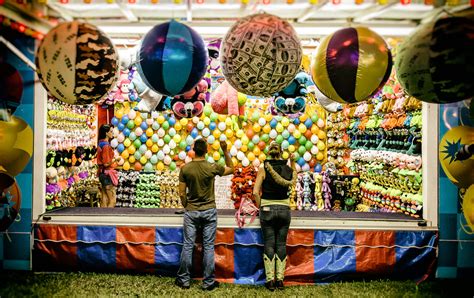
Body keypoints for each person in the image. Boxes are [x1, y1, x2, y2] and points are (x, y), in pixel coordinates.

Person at [175, 138, 234, 291]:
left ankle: (184, 280)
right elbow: (231, 168)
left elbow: (182, 193)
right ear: (206, 151)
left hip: (191, 211)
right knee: (208, 246)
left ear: (194, 150)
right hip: (209, 210)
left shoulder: (185, 169)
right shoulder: (212, 167)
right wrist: (225, 150)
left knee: (188, 245)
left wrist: (187, 205)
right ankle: (208, 282)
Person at [252, 141, 297, 291]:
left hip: (267, 209)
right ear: (281, 152)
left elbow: (254, 192)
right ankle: (280, 280)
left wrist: (261, 206)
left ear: (269, 152)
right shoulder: (288, 169)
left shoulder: (263, 168)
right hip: (284, 209)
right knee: (281, 244)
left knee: (269, 243)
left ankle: (270, 280)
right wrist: (293, 161)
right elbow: (294, 178)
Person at [97, 124, 119, 208]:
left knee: (104, 197)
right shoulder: (106, 146)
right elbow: (106, 163)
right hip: (107, 174)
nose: (112, 133)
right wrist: (116, 159)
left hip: (102, 173)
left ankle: (102, 218)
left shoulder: (100, 143)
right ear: (106, 133)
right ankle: (110, 218)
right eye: (111, 131)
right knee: (112, 199)